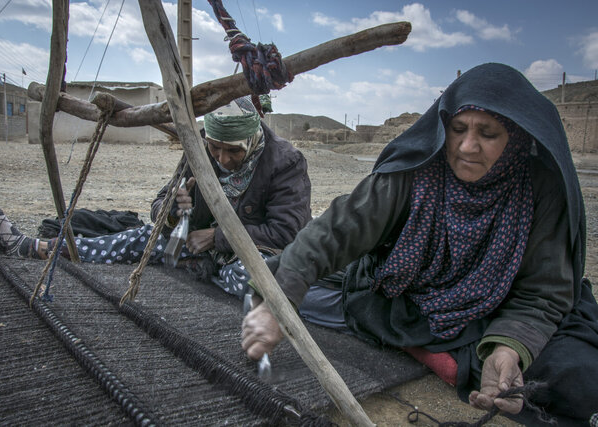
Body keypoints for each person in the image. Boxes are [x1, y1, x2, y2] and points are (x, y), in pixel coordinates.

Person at [241, 63, 598, 426]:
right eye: (457, 129)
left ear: (517, 137)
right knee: (294, 291)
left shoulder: (540, 190)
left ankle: (457, 352)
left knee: (574, 379)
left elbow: (543, 291)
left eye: (488, 134)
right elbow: (335, 231)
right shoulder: (415, 170)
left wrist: (507, 348)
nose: (467, 146)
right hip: (406, 300)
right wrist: (277, 304)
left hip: (495, 306)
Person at [0, 96, 312, 299]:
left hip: (244, 253)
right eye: (216, 148)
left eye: (233, 151)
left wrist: (217, 238)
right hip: (195, 246)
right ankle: (39, 248)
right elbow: (158, 204)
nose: (222, 159)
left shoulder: (284, 163)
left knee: (257, 283)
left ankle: (203, 267)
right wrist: (175, 207)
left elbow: (287, 232)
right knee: (141, 238)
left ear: (251, 140)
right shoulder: (200, 149)